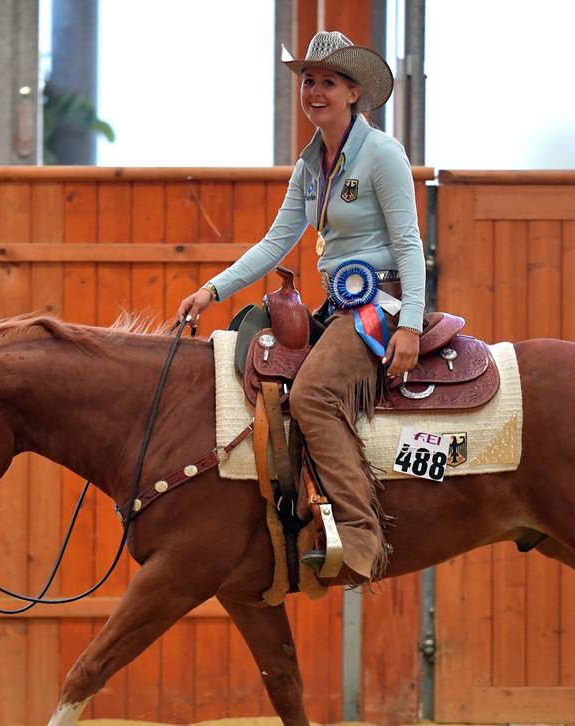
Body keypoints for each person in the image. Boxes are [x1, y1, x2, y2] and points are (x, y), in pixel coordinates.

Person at [175, 30, 426, 583]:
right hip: (339, 305)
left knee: (312, 394)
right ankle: (298, 517)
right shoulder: (309, 165)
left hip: (381, 303)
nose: (314, 91)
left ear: (354, 92)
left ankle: (362, 537)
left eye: (327, 82)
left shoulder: (383, 154)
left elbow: (409, 242)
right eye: (308, 81)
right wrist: (212, 290)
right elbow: (273, 244)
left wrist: (408, 325)